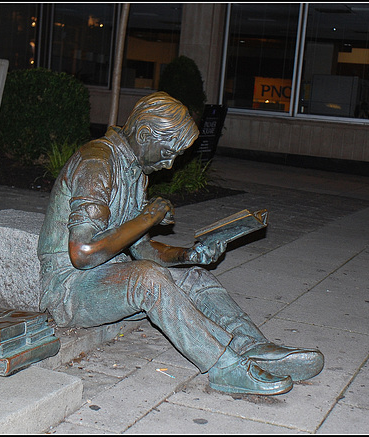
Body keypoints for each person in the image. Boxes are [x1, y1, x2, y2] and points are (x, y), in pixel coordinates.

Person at [37, 92, 323, 395]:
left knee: (195, 277)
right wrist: (148, 217)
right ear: (145, 134)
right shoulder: (98, 163)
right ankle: (224, 366)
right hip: (69, 289)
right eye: (167, 153)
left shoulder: (134, 172)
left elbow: (142, 250)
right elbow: (82, 254)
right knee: (148, 279)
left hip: (106, 279)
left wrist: (188, 254)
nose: (171, 164)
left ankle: (252, 346)